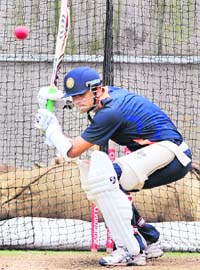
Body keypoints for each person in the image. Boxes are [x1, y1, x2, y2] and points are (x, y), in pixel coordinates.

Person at [35, 66, 192, 266]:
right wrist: (57, 101)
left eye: (80, 95)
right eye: (73, 97)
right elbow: (83, 103)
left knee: (106, 179)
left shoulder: (110, 113)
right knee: (104, 186)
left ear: (96, 90)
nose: (77, 101)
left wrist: (52, 128)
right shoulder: (105, 94)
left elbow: (71, 151)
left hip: (172, 155)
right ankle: (149, 238)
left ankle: (130, 249)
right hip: (163, 153)